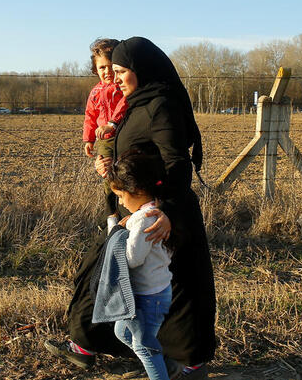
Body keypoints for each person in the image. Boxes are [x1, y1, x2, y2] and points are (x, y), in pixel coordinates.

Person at [45, 37, 216, 379]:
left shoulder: (161, 105)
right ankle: (88, 344)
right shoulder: (136, 104)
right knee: (108, 273)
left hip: (163, 213)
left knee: (179, 287)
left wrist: (167, 211)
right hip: (136, 208)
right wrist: (108, 163)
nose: (116, 78)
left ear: (142, 70)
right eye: (115, 70)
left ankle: (189, 364)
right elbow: (133, 149)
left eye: (122, 71)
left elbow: (177, 163)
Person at [93, 149, 173, 380]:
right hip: (149, 292)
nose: (120, 201)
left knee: (144, 346)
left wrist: (117, 231)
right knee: (123, 333)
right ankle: (165, 368)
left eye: (120, 195)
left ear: (136, 190)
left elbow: (131, 258)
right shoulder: (152, 211)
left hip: (148, 297)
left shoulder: (143, 220)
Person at [83, 38, 127, 160]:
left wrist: (112, 124)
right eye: (102, 67)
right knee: (105, 165)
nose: (108, 71)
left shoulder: (123, 87)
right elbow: (90, 116)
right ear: (95, 69)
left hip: (125, 135)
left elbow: (125, 104)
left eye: (111, 66)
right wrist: (89, 139)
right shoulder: (95, 92)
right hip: (105, 139)